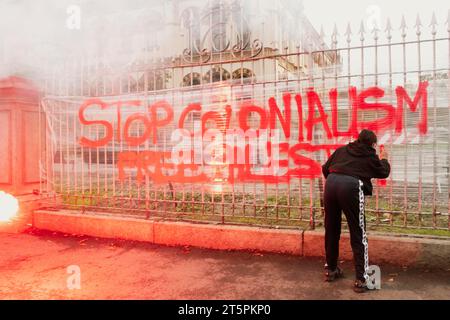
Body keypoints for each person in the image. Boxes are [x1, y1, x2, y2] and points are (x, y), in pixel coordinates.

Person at [321, 129, 390, 293]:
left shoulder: (342, 150)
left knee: (331, 229)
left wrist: (335, 181)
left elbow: (325, 168)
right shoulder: (370, 155)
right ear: (373, 144)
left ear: (357, 140)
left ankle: (331, 270)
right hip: (350, 187)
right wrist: (385, 157)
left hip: (331, 184)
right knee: (358, 233)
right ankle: (362, 279)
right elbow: (384, 172)